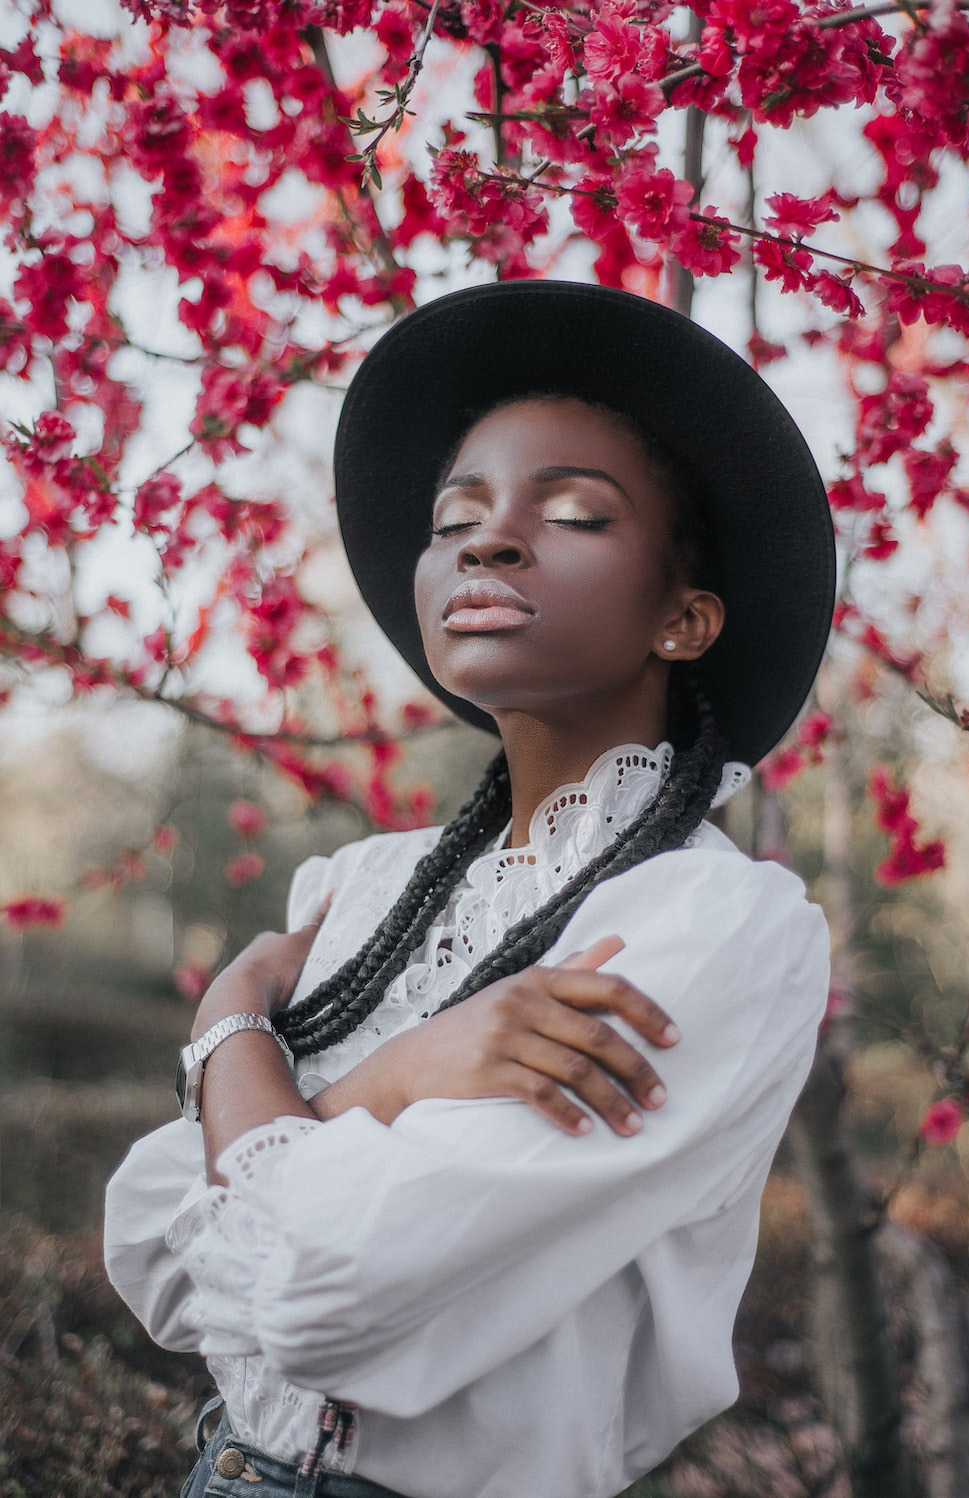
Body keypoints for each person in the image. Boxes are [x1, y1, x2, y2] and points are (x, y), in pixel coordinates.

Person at [105, 280, 835, 1498]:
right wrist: (342, 1051)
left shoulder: (715, 925)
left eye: (574, 513)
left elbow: (325, 1297)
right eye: (456, 519)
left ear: (684, 617)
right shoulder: (357, 885)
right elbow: (150, 1247)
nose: (486, 542)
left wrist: (242, 1058)